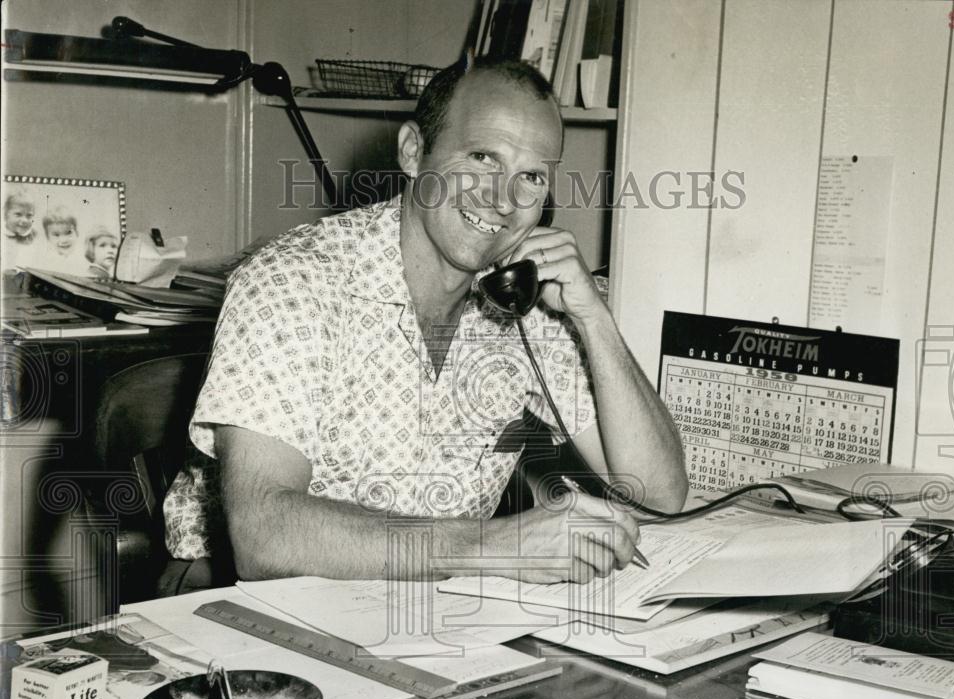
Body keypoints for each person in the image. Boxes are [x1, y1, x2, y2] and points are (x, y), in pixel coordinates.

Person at [161, 57, 687, 594]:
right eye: (481, 158)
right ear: (414, 152)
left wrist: (593, 318)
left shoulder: (524, 297)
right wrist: (495, 546)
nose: (504, 201)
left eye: (531, 176)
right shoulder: (292, 281)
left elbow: (658, 493)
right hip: (237, 602)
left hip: (429, 598)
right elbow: (264, 539)